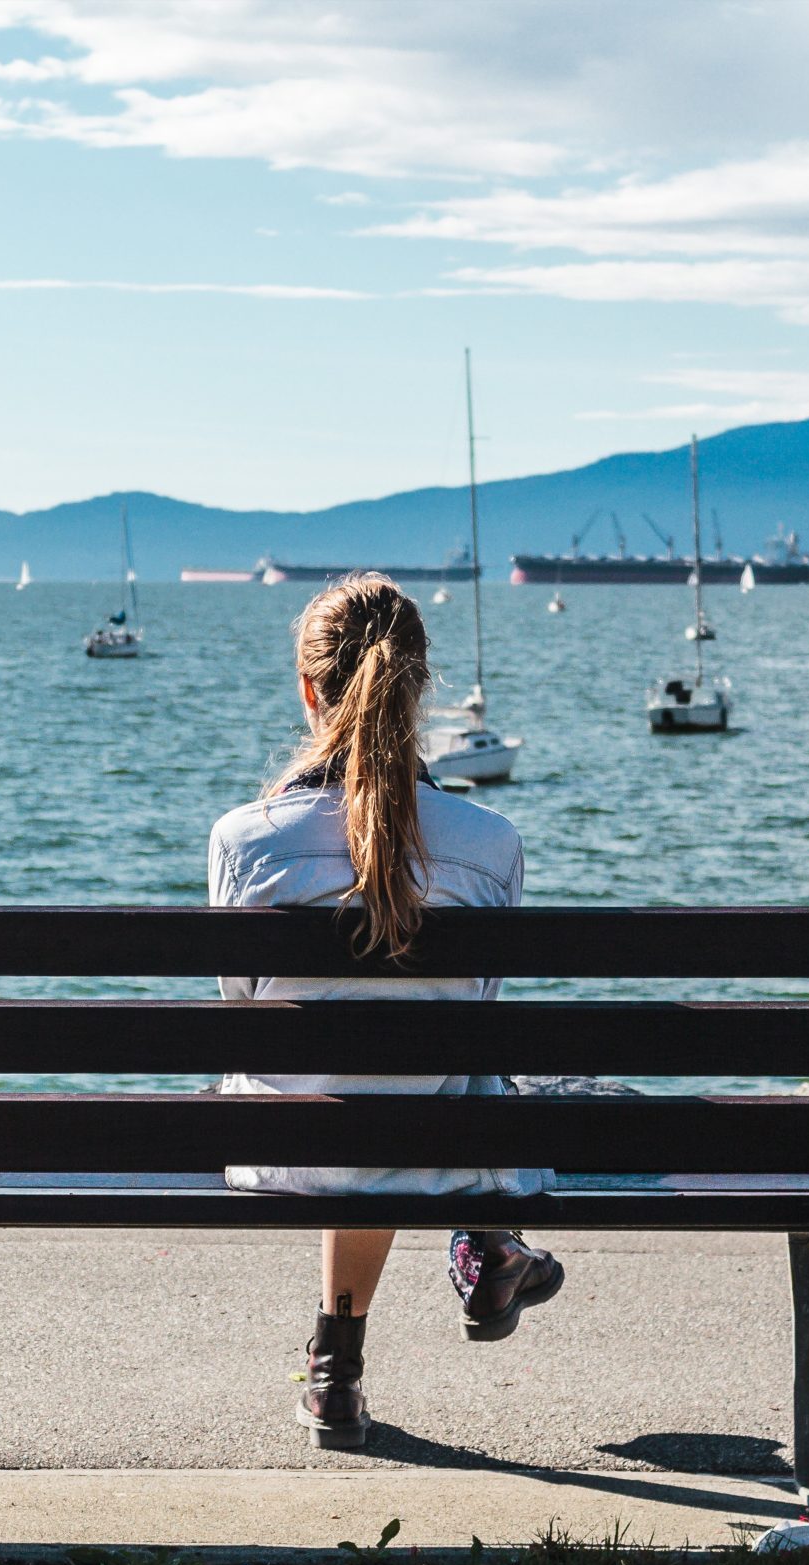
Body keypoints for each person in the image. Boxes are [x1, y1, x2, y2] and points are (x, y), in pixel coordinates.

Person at [210, 574, 562, 1450]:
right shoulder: (491, 844)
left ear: (308, 690)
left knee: (361, 1084)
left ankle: (340, 1368)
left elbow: (239, 1005)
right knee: (445, 1071)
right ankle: (486, 1238)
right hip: (425, 1133)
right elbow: (480, 1007)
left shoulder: (243, 840)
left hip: (283, 1143)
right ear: (420, 689)